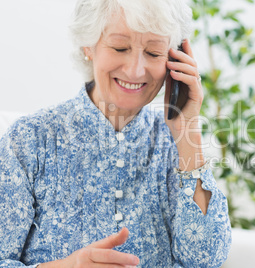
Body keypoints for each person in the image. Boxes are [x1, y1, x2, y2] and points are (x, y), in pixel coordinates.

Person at [0, 0, 232, 267]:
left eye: (154, 53)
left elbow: (206, 260)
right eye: (120, 47)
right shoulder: (28, 140)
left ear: (175, 60)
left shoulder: (175, 143)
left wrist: (187, 130)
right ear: (88, 45)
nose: (135, 70)